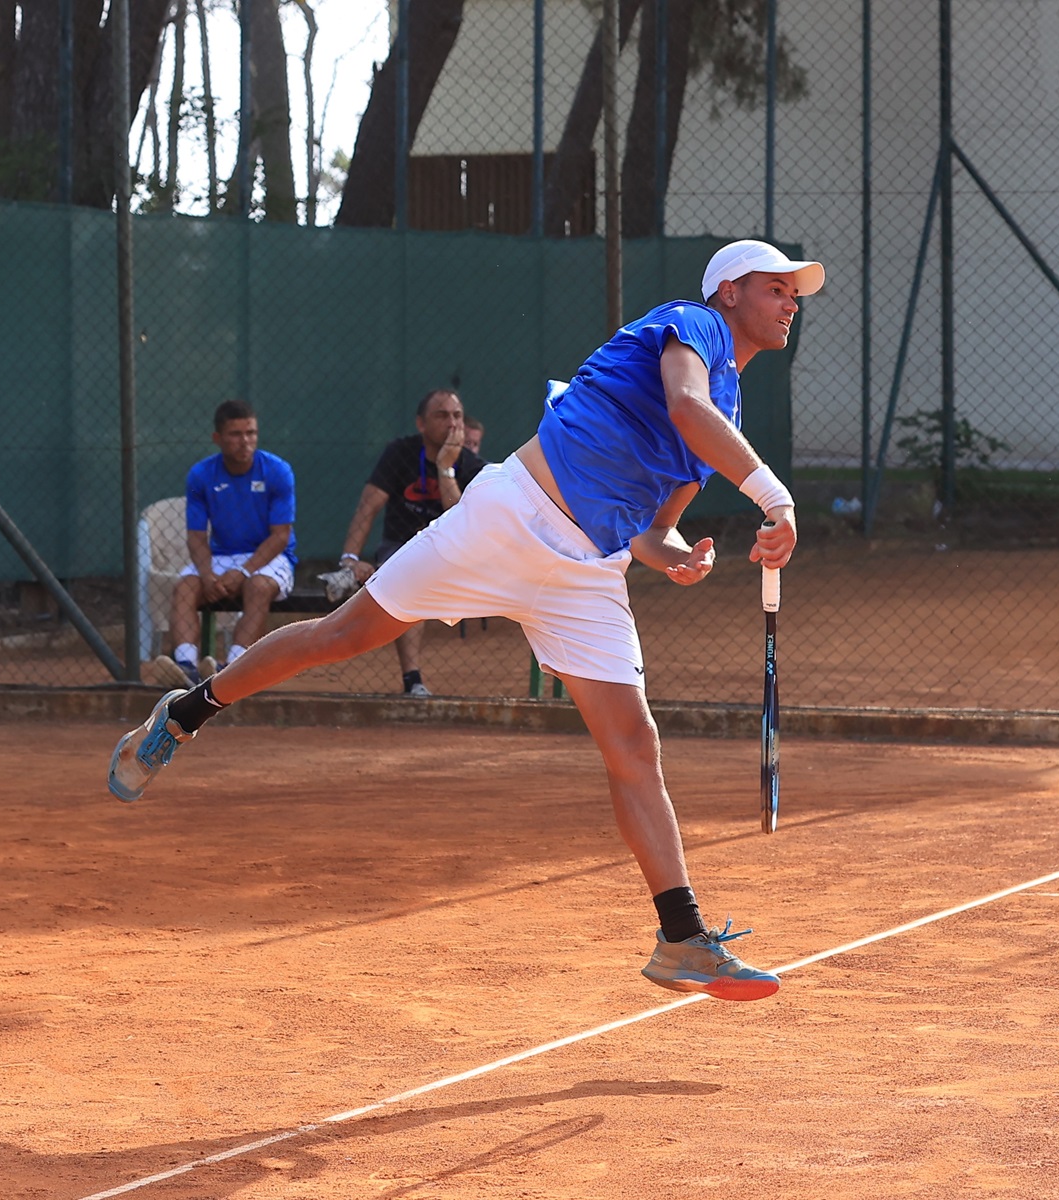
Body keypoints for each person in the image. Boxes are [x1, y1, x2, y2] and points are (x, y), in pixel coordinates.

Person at [111, 239, 824, 1002]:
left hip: (585, 575)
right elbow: (686, 405)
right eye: (776, 288)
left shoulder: (732, 411)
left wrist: (678, 557)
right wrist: (773, 496)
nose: (790, 302)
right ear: (729, 293)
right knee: (342, 636)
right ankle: (186, 710)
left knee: (634, 742)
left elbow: (654, 526)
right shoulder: (692, 325)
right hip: (508, 518)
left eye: (794, 293)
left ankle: (680, 938)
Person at [316, 389, 487, 696]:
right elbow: (368, 506)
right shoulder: (400, 453)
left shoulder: (472, 465)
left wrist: (445, 468)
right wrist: (350, 558)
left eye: (457, 416)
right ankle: (413, 680)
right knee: (412, 578)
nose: (451, 423)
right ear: (421, 424)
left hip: (454, 555)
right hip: (402, 549)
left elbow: (463, 525)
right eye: (442, 415)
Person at [150, 400, 297, 689]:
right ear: (217, 438)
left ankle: (233, 668)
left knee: (258, 587)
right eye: (235, 434)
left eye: (251, 433)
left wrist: (243, 572)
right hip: (222, 555)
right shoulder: (201, 475)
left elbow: (280, 536)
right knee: (185, 587)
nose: (245, 441)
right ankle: (186, 667)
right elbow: (196, 536)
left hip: (271, 557)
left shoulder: (278, 471)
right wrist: (206, 574)